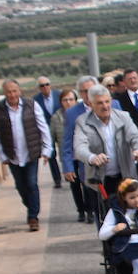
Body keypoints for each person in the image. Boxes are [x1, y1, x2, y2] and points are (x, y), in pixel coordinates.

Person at [0, 78, 52, 232]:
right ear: (4, 93)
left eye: (14, 91)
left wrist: (47, 149)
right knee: (20, 186)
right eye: (8, 92)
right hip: (12, 155)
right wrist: (1, 154)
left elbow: (43, 127)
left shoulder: (31, 105)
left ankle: (33, 216)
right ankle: (31, 205)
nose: (12, 94)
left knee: (31, 184)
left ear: (19, 91)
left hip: (30, 153)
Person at [73, 85, 138, 198]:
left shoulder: (123, 116)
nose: (105, 106)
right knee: (106, 214)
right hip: (100, 181)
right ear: (91, 104)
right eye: (100, 103)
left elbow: (136, 137)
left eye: (107, 101)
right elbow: (79, 147)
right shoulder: (82, 122)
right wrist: (92, 157)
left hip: (125, 176)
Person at [61, 75, 102, 223]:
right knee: (97, 205)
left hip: (113, 164)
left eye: (91, 89)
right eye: (84, 91)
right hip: (88, 166)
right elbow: (67, 142)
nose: (88, 93)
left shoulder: (112, 105)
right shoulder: (72, 113)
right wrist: (67, 166)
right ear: (80, 93)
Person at [50, 88, 85, 221]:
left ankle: (90, 210)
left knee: (87, 184)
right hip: (69, 156)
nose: (68, 102)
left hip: (83, 154)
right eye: (65, 100)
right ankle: (80, 210)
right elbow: (52, 136)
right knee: (74, 184)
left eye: (71, 99)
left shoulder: (82, 114)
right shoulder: (56, 117)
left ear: (76, 100)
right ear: (61, 102)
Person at [34, 76, 64, 188]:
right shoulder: (36, 100)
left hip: (61, 127)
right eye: (42, 85)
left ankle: (68, 172)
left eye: (47, 84)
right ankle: (57, 179)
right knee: (51, 154)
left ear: (50, 85)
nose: (45, 87)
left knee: (64, 151)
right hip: (47, 131)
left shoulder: (59, 95)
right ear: (39, 88)